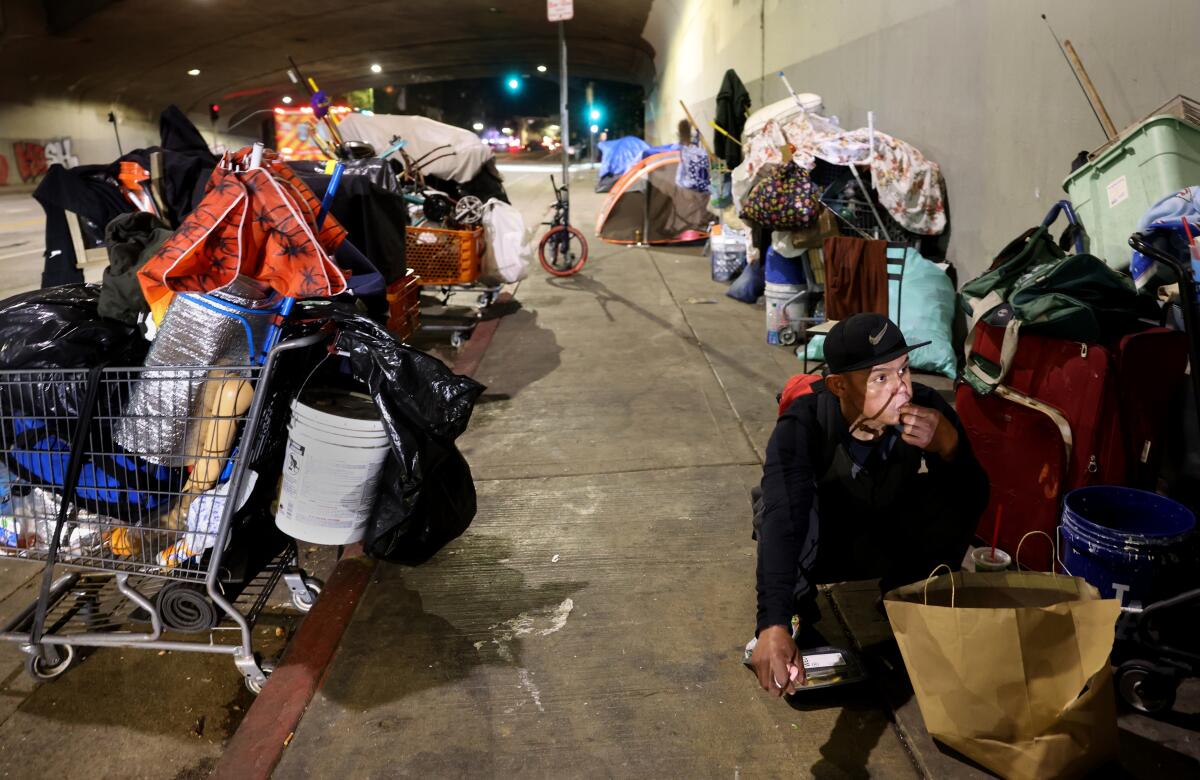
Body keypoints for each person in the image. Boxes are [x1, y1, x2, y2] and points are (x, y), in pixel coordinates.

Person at [749, 313, 989, 696]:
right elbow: (783, 517)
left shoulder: (927, 408)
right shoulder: (803, 424)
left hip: (882, 534)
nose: (903, 389)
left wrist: (950, 447)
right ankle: (797, 616)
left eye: (904, 370)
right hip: (826, 546)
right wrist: (772, 621)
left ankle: (905, 596)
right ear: (839, 385)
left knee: (952, 490)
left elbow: (975, 495)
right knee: (791, 509)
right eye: (881, 378)